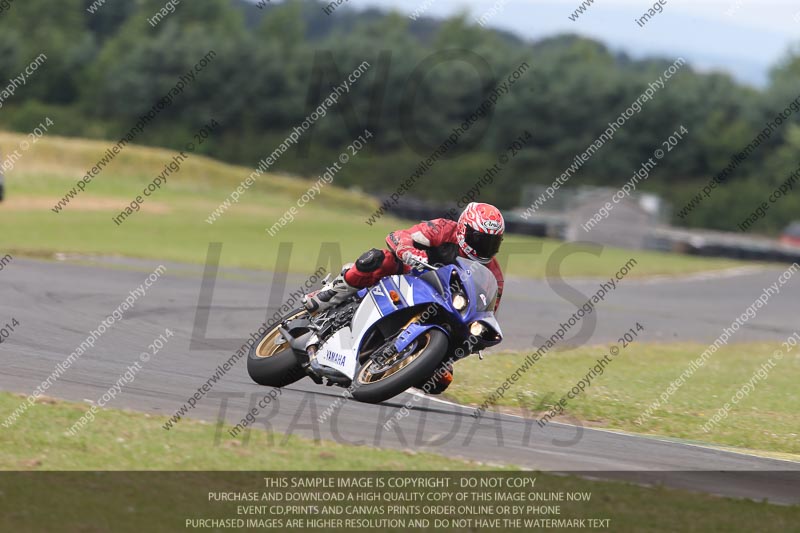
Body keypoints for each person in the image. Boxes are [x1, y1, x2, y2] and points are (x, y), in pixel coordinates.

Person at [302, 202, 505, 314]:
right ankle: (331, 293)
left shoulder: (494, 275)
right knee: (379, 258)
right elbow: (398, 236)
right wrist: (409, 251)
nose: (484, 247)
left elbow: (487, 312)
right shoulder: (443, 229)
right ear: (462, 229)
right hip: (411, 276)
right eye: (479, 239)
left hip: (443, 305)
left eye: (492, 242)